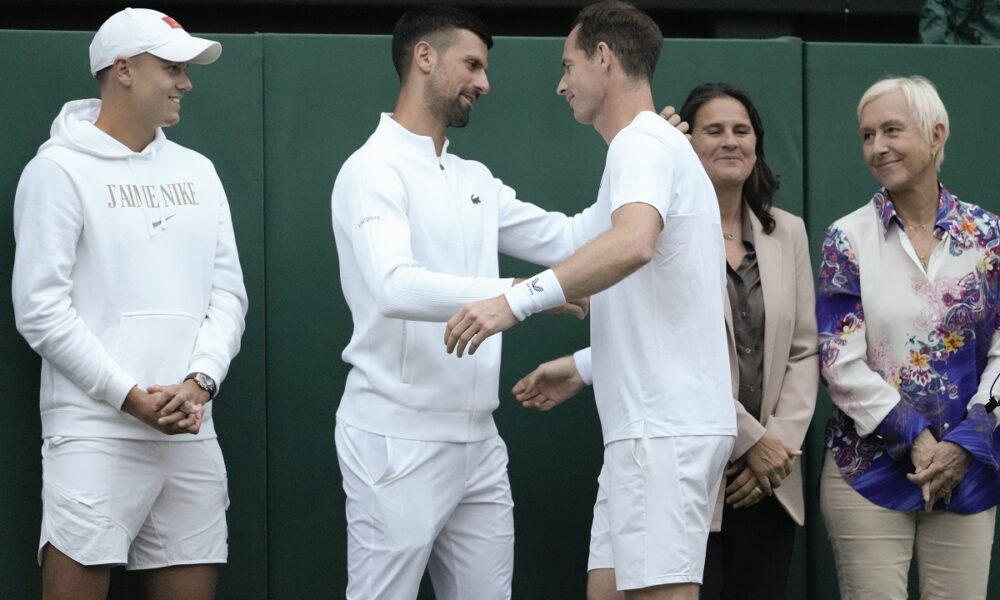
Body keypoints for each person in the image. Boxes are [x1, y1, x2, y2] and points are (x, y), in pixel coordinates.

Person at [445, 3, 736, 598]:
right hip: (643, 431)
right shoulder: (640, 151)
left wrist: (512, 304)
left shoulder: (641, 145)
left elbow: (630, 244)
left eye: (568, 65)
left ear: (604, 58)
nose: (561, 83)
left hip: (662, 433)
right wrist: (582, 367)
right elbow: (580, 242)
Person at [513, 83, 820, 599]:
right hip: (694, 452)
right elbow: (661, 333)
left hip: (768, 481)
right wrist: (751, 440)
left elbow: (802, 348)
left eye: (741, 131)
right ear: (684, 144)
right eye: (714, 130)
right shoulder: (655, 222)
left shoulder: (787, 232)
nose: (730, 142)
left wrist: (779, 448)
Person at [330, 5, 591, 599]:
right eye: (472, 64)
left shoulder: (473, 177)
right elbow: (394, 286)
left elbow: (574, 238)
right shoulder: (371, 169)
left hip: (479, 440)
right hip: (395, 440)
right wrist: (526, 296)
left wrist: (649, 149)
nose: (484, 82)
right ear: (425, 57)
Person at [11, 8, 248, 600]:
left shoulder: (199, 171)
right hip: (93, 435)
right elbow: (40, 308)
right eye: (171, 67)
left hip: (191, 428)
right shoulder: (56, 171)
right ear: (123, 70)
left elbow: (228, 295)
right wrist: (129, 396)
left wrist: (200, 383)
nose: (185, 82)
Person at [817, 75, 1000, 599]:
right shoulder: (847, 238)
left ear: (936, 133)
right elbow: (839, 361)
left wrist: (965, 445)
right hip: (867, 470)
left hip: (969, 469)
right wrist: (918, 440)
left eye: (892, 130)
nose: (877, 147)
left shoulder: (989, 238)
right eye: (867, 135)